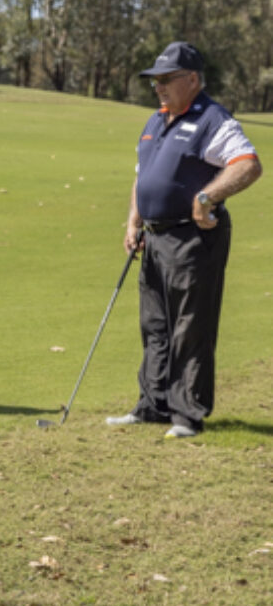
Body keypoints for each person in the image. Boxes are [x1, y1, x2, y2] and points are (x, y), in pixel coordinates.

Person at [106, 42, 260, 438]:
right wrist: (133, 221)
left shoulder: (212, 119)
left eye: (166, 79)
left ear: (192, 79)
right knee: (155, 324)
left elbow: (248, 164)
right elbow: (143, 176)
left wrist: (207, 197)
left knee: (190, 326)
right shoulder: (155, 121)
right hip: (154, 237)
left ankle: (187, 415)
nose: (158, 87)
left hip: (193, 238)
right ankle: (153, 405)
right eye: (154, 80)